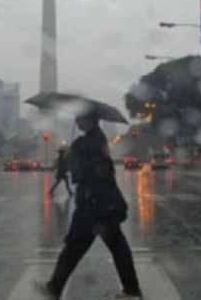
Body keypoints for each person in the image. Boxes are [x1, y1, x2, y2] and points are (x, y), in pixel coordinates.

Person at [36, 111, 141, 299]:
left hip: (93, 206)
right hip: (103, 204)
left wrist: (71, 156)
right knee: (114, 247)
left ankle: (55, 287)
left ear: (91, 120)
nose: (76, 121)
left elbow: (79, 176)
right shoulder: (97, 140)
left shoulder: (86, 143)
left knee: (75, 247)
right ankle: (132, 290)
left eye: (80, 118)